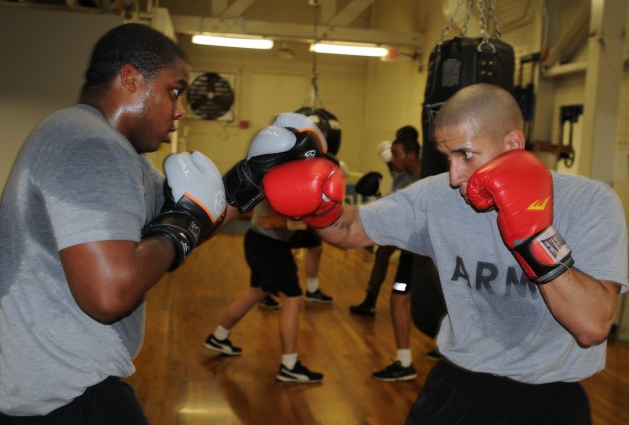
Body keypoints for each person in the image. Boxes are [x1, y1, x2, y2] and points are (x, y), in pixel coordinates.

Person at [0, 23, 326, 422]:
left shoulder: (116, 154)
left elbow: (189, 214)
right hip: (59, 397)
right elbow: (109, 295)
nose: (180, 108)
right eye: (174, 90)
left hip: (56, 385)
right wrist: (181, 226)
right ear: (131, 79)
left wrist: (252, 177)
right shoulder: (89, 146)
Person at [263, 83, 627, 424]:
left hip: (550, 399)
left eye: (466, 154)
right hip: (457, 386)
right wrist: (318, 208)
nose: (454, 176)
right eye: (446, 155)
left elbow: (592, 327)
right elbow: (352, 231)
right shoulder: (437, 196)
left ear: (513, 143)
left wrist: (534, 235)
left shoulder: (589, 202)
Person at [204, 199, 324, 384]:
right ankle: (289, 366)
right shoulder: (282, 184)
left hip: (259, 241)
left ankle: (219, 336)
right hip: (269, 244)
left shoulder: (282, 177)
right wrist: (305, 222)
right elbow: (268, 222)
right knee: (293, 299)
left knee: (257, 291)